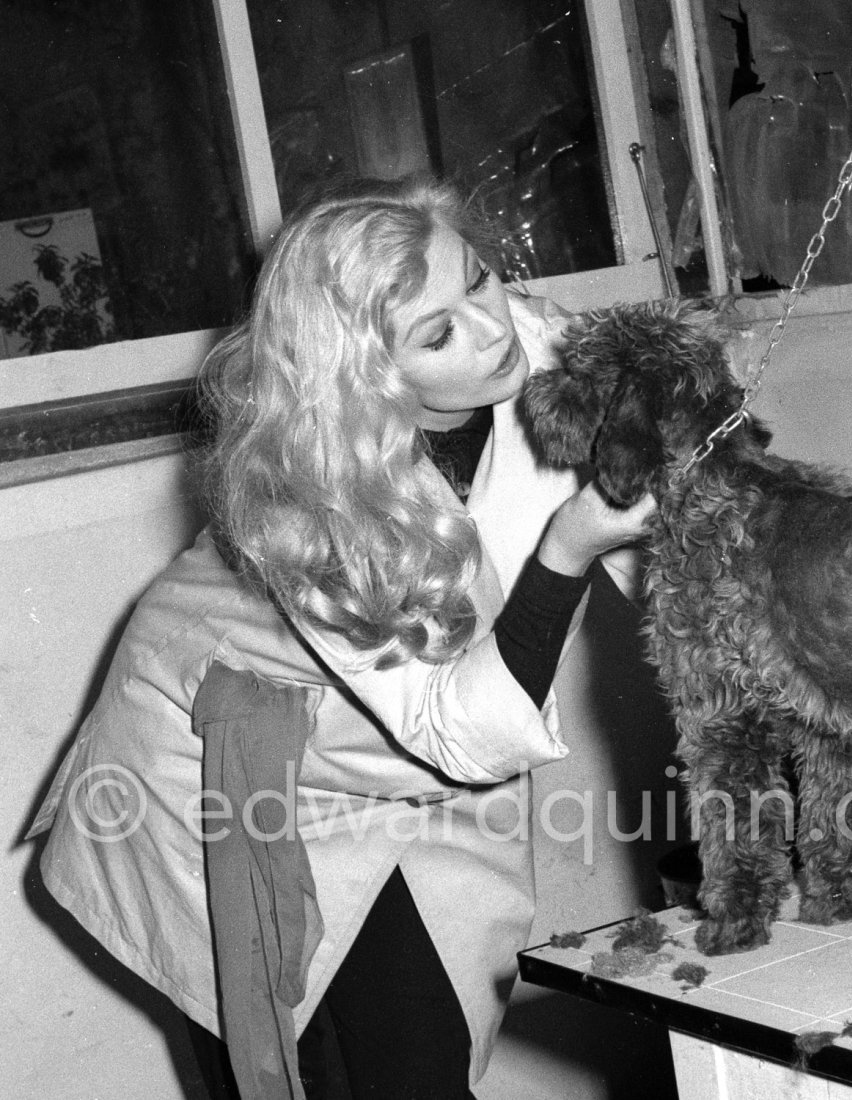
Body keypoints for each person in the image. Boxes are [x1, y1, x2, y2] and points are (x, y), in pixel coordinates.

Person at [27, 175, 654, 1099]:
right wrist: (566, 550)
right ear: (363, 378)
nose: (491, 331)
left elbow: (669, 547)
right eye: (436, 333)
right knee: (336, 1076)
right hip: (211, 765)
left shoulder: (535, 343)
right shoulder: (312, 501)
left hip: (379, 766)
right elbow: (456, 731)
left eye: (478, 281)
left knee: (426, 1054)